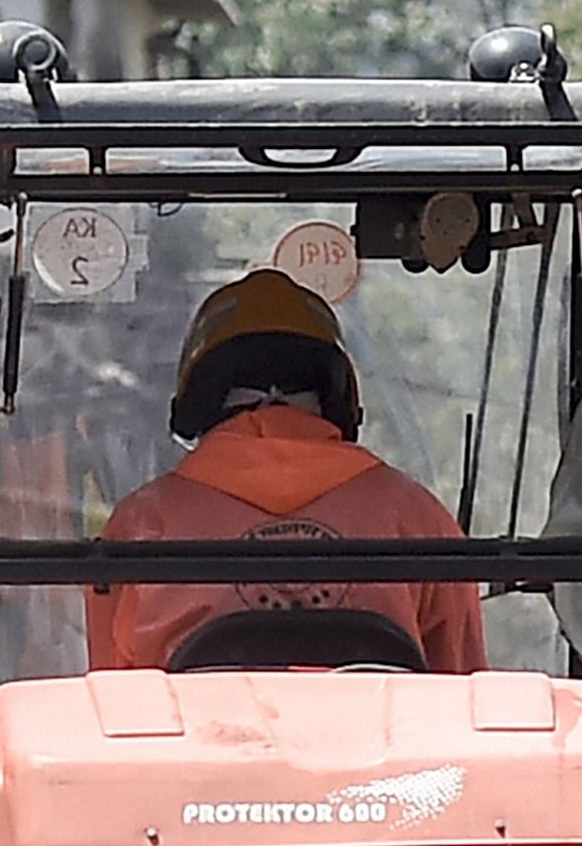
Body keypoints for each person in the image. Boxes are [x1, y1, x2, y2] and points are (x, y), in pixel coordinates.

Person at [88, 270, 485, 675]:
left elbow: (113, 692)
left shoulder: (143, 524)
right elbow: (460, 683)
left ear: (199, 400)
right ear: (338, 397)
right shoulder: (418, 517)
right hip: (373, 738)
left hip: (202, 738)